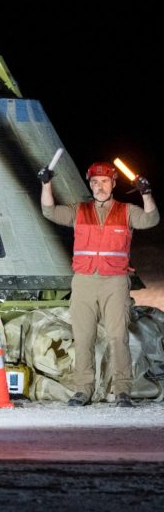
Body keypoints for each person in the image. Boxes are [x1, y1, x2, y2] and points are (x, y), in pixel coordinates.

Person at [39, 160, 159, 408]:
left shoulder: (126, 211)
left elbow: (150, 220)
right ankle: (83, 390)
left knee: (117, 337)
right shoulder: (78, 210)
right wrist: (46, 184)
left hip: (115, 281)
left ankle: (122, 391)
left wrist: (146, 193)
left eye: (104, 181)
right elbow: (50, 211)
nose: (99, 186)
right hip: (84, 281)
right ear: (90, 184)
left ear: (113, 183)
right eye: (95, 182)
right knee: (83, 338)